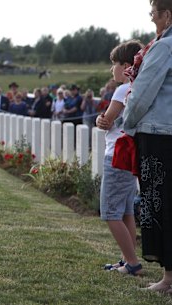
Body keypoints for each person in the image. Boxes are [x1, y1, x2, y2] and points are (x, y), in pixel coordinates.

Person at [122, 0, 172, 293]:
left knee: (161, 205)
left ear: (167, 14)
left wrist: (128, 125)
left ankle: (169, 279)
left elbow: (142, 94)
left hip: (159, 135)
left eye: (153, 14)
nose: (152, 19)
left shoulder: (164, 47)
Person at [96, 40, 144, 276]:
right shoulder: (138, 87)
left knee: (109, 212)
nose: (111, 69)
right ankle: (127, 259)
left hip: (115, 154)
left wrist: (99, 120)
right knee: (126, 212)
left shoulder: (122, 89)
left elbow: (107, 120)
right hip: (128, 156)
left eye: (114, 64)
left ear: (126, 66)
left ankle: (132, 262)